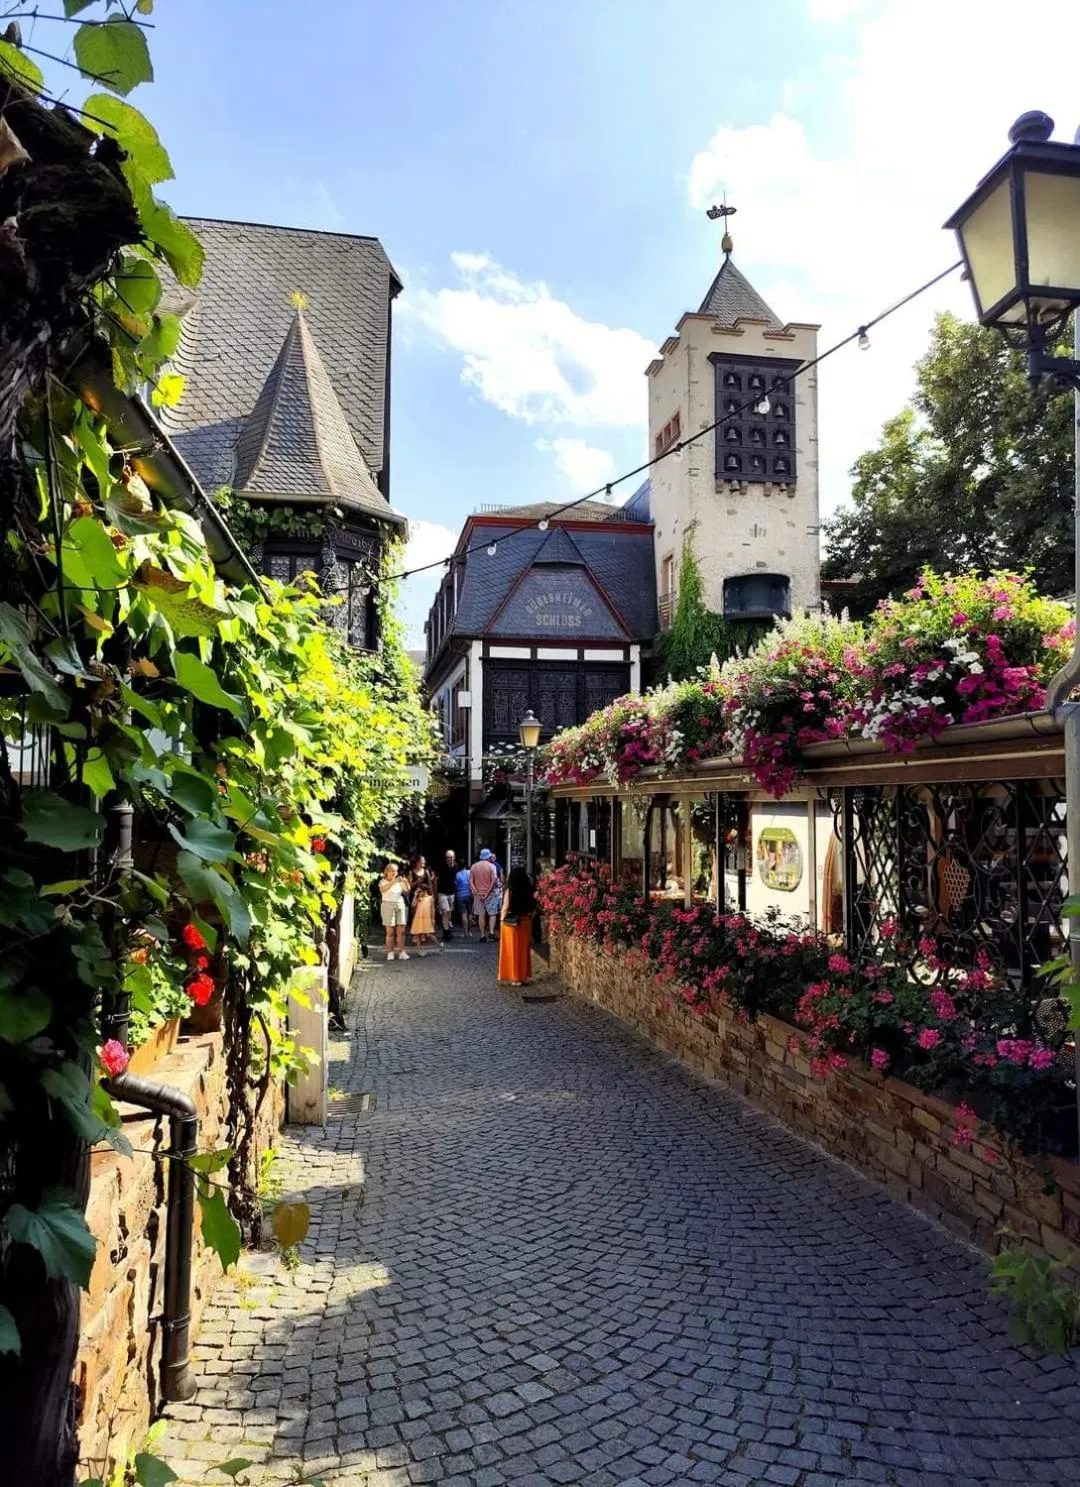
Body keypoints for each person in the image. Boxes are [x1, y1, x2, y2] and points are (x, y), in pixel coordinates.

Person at [498, 866, 537, 987]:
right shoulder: (530, 889)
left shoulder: (510, 890)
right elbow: (534, 909)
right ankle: (522, 975)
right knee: (523, 951)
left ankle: (514, 977)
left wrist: (501, 921)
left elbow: (505, 908)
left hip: (510, 924)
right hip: (525, 922)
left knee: (511, 951)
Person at [378, 862, 409, 961]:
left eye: (396, 871)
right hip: (387, 905)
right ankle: (390, 952)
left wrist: (406, 882)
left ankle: (402, 952)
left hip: (399, 904)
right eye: (392, 871)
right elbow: (383, 890)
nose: (394, 873)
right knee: (390, 931)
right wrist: (394, 881)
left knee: (401, 930)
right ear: (387, 871)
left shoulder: (398, 882)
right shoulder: (383, 881)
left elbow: (407, 891)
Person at [469, 848, 500, 942]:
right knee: (492, 913)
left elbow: (470, 881)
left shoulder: (474, 866)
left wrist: (476, 892)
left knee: (481, 915)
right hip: (490, 893)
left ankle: (482, 935)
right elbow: (493, 880)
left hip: (478, 894)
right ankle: (491, 932)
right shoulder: (492, 866)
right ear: (488, 857)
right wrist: (487, 892)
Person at [409, 855, 437, 948]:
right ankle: (416, 934)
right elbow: (410, 885)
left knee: (425, 915)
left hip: (425, 896)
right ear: (417, 862)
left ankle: (424, 933)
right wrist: (417, 882)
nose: (424, 862)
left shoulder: (426, 872)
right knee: (415, 914)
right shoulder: (412, 872)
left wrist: (432, 896)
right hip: (416, 896)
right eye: (422, 861)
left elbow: (430, 884)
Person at [436, 850, 459, 942]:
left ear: (454, 857)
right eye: (447, 857)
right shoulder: (441, 867)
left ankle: (447, 929)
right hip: (442, 892)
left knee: (450, 912)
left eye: (450, 857)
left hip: (452, 893)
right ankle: (446, 932)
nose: (449, 859)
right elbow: (436, 879)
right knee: (446, 911)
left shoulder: (456, 866)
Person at [455, 861, 473, 938]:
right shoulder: (469, 873)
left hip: (460, 895)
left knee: (463, 914)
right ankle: (470, 931)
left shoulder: (458, 874)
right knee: (470, 914)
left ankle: (465, 932)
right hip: (469, 894)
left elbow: (456, 884)